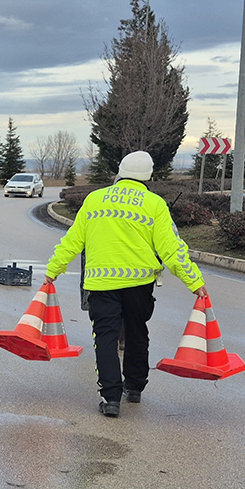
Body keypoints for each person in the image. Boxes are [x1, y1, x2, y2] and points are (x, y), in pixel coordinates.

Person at [43, 151, 207, 418]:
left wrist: (53, 271)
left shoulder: (94, 200)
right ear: (149, 176)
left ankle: (110, 399)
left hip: (101, 283)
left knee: (105, 337)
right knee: (136, 331)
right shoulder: (154, 204)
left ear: (119, 172)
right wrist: (195, 282)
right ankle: (134, 387)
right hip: (139, 285)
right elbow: (171, 250)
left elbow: (72, 242)